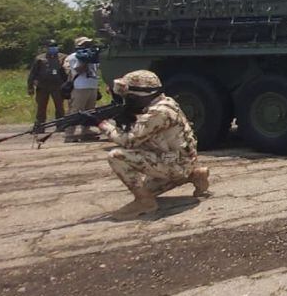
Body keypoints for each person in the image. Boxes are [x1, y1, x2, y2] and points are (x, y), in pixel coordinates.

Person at [86, 70, 210, 220]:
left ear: (138, 95)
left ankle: (144, 202)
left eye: (129, 95)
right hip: (180, 161)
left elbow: (129, 141)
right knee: (148, 189)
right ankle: (195, 174)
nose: (126, 98)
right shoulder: (166, 102)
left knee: (116, 156)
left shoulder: (157, 113)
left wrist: (102, 124)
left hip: (175, 165)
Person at [65, 37, 100, 142]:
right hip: (80, 86)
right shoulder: (74, 57)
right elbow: (78, 70)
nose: (88, 45)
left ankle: (86, 131)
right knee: (75, 111)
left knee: (90, 111)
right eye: (85, 43)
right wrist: (86, 61)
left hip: (92, 85)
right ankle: (69, 133)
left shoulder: (92, 56)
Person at [27, 39, 68, 127]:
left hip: (58, 86)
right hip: (42, 87)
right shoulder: (40, 58)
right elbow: (33, 73)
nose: (53, 48)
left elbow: (67, 72)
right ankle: (40, 126)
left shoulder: (63, 57)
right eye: (51, 46)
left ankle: (61, 125)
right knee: (41, 107)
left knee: (60, 107)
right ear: (46, 48)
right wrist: (30, 87)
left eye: (55, 46)